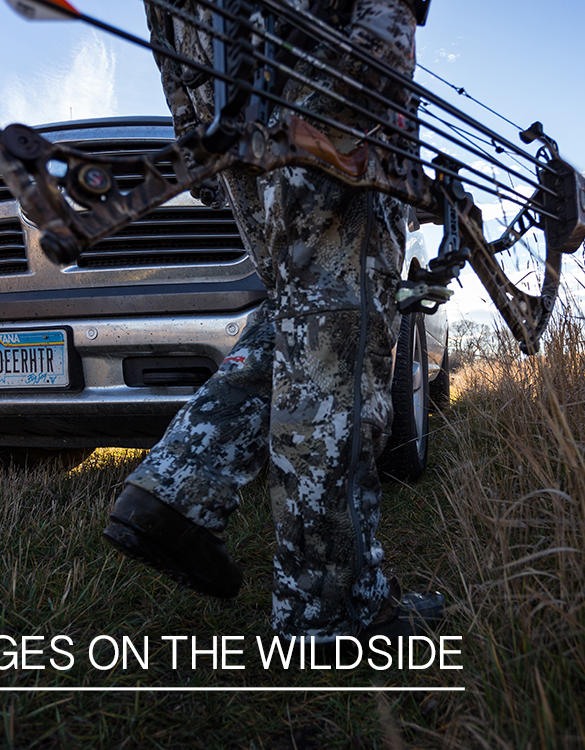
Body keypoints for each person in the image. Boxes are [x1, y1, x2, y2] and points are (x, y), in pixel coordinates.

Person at [103, 0, 440, 645]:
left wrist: (196, 132)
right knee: (344, 324)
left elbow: (163, 25)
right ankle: (334, 612)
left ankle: (177, 487)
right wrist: (370, 95)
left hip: (222, 87)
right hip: (327, 79)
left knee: (303, 311)